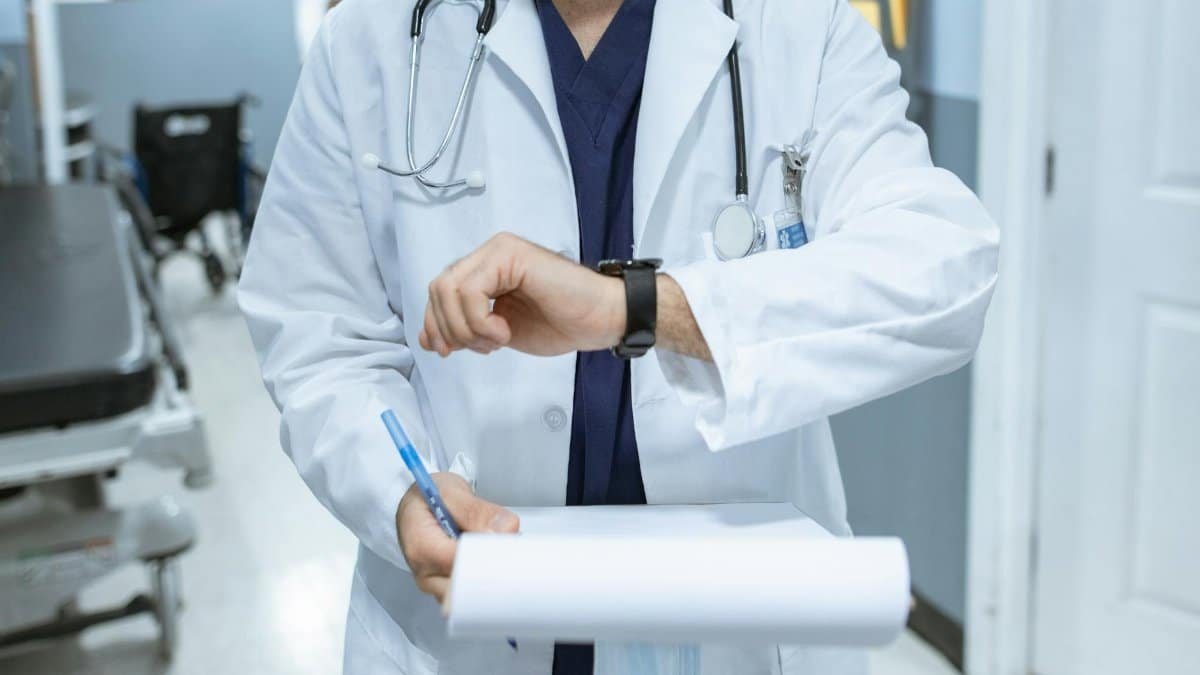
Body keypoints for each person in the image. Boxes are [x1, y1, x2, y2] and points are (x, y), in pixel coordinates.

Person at [238, 0, 999, 673]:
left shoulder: (800, 24)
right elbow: (319, 334)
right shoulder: (369, 36)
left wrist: (637, 309)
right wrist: (398, 491)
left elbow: (943, 267)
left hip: (734, 626)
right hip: (465, 618)